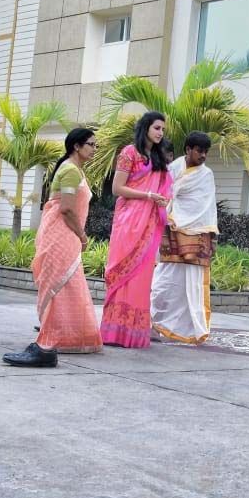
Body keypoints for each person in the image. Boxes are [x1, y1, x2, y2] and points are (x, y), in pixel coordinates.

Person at [3, 128, 103, 367]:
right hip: (61, 233)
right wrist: (81, 235)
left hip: (64, 233)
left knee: (70, 284)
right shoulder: (69, 170)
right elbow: (67, 208)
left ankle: (67, 338)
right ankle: (49, 340)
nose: (94, 149)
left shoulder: (74, 169)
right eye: (90, 144)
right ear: (76, 146)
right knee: (58, 284)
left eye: (95, 145)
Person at [99, 111, 172, 348]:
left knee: (141, 277)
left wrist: (161, 200)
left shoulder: (159, 158)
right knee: (122, 272)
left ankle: (133, 332)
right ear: (146, 128)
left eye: (162, 129)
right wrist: (148, 195)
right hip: (128, 221)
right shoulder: (129, 153)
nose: (161, 133)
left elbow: (165, 189)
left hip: (149, 224)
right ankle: (113, 332)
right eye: (157, 128)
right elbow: (118, 188)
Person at [151, 132, 218, 344]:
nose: (203, 155)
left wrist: (175, 213)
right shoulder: (172, 168)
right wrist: (168, 214)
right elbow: (162, 194)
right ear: (188, 149)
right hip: (170, 233)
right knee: (163, 283)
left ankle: (192, 329)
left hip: (195, 236)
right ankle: (153, 324)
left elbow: (204, 207)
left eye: (206, 151)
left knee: (192, 285)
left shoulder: (206, 175)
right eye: (199, 150)